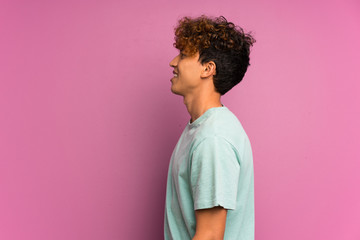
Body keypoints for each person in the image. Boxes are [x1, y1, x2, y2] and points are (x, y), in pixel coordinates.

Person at [164, 15, 256, 240]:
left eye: (184, 55)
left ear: (208, 69)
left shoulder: (213, 138)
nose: (173, 62)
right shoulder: (203, 129)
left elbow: (211, 236)